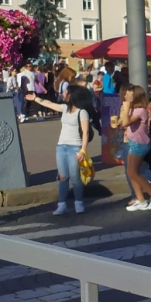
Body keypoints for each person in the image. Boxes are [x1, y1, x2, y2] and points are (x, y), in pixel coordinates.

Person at [25, 86, 92, 215]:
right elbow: (50, 104)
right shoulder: (65, 108)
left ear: (71, 96)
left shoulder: (82, 112)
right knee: (62, 176)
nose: (63, 93)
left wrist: (83, 150)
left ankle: (78, 202)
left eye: (66, 92)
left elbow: (85, 132)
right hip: (61, 146)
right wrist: (35, 98)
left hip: (75, 147)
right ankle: (62, 204)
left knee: (75, 177)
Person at [116, 85, 151, 211]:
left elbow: (127, 122)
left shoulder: (140, 110)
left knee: (133, 172)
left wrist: (126, 108)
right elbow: (125, 124)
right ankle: (140, 200)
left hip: (140, 144)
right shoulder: (132, 110)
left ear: (136, 96)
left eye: (129, 94)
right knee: (131, 172)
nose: (126, 96)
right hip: (133, 142)